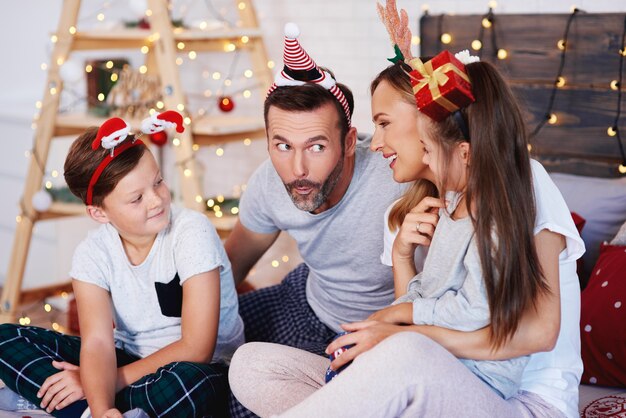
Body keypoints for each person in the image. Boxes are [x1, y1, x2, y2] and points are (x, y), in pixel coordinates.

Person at [227, 4, 585, 417]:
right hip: (437, 379)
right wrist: (400, 259)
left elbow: (536, 332)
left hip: (518, 397)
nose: (374, 143)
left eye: (383, 123)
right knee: (251, 365)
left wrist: (401, 328)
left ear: (426, 121)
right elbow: (421, 316)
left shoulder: (520, 179)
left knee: (406, 351)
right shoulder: (431, 200)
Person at [0, 111, 244, 418]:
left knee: (188, 387)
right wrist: (102, 407)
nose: (156, 200)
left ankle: (67, 405)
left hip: (201, 368)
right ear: (100, 213)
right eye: (137, 198)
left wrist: (98, 383)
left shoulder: (192, 231)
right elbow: (98, 343)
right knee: (6, 338)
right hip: (128, 359)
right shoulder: (92, 254)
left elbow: (197, 347)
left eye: (158, 182)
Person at [224, 22, 405, 358]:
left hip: (377, 329)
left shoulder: (398, 177)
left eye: (317, 147)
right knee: (214, 358)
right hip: (307, 298)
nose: (298, 169)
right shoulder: (268, 182)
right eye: (282, 146)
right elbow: (231, 266)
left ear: (349, 142)